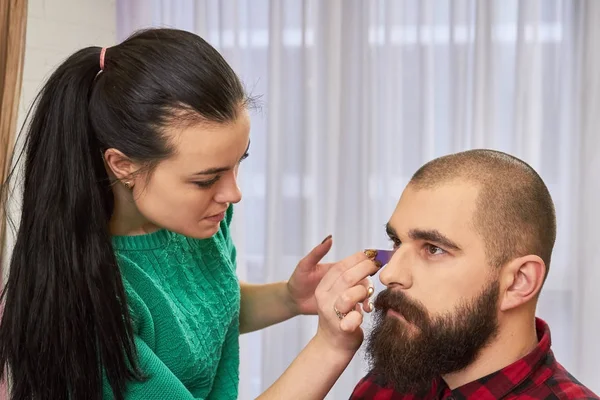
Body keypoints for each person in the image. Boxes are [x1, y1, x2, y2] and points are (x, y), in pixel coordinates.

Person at [0, 28, 377, 400]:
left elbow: (196, 318)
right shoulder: (87, 307)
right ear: (123, 165)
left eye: (237, 163)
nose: (233, 194)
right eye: (206, 179)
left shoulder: (199, 222)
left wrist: (289, 298)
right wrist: (330, 347)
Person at [351, 150, 599, 400]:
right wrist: (329, 346)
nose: (389, 274)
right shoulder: (386, 386)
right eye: (396, 242)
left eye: (434, 249)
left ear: (518, 282)